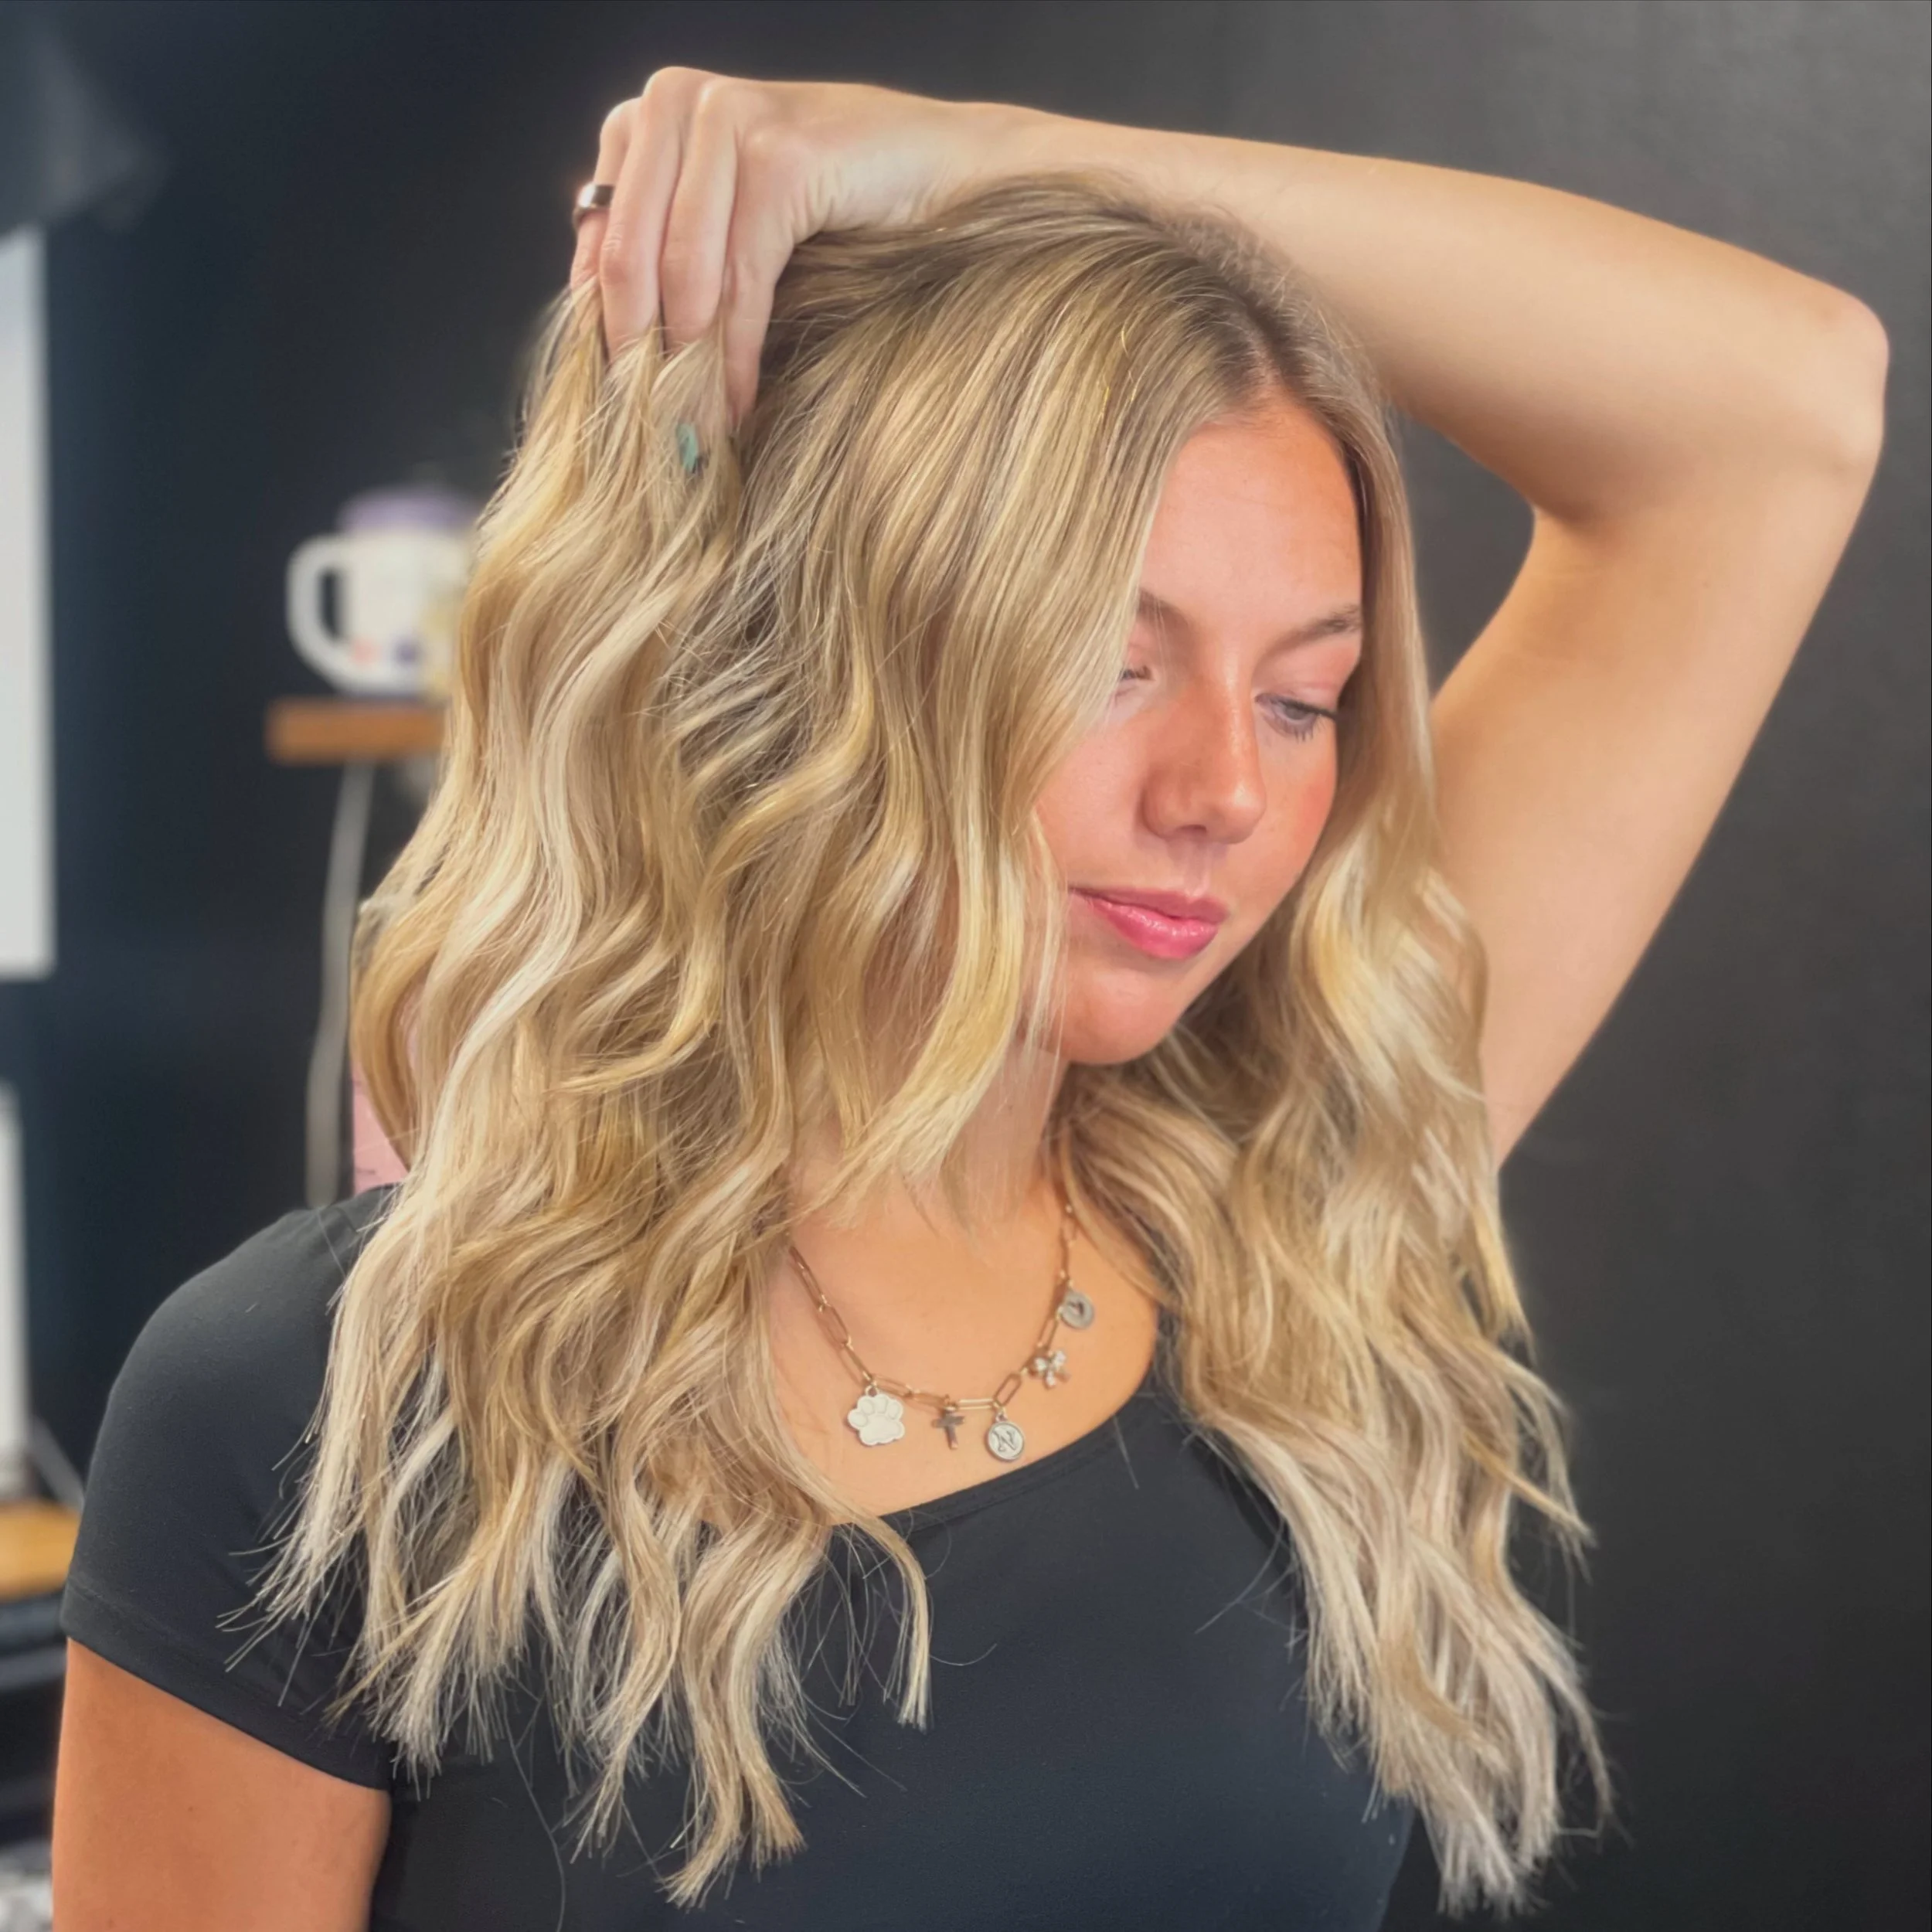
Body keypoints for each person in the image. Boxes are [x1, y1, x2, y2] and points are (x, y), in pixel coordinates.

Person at [50, 70, 1886, 1932]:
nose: (1223, 796)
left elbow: (1779, 406)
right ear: (820, 665)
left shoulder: (1287, 1210)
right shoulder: (324, 1403)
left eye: (1298, 694)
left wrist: (997, 164)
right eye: (1110, 659)